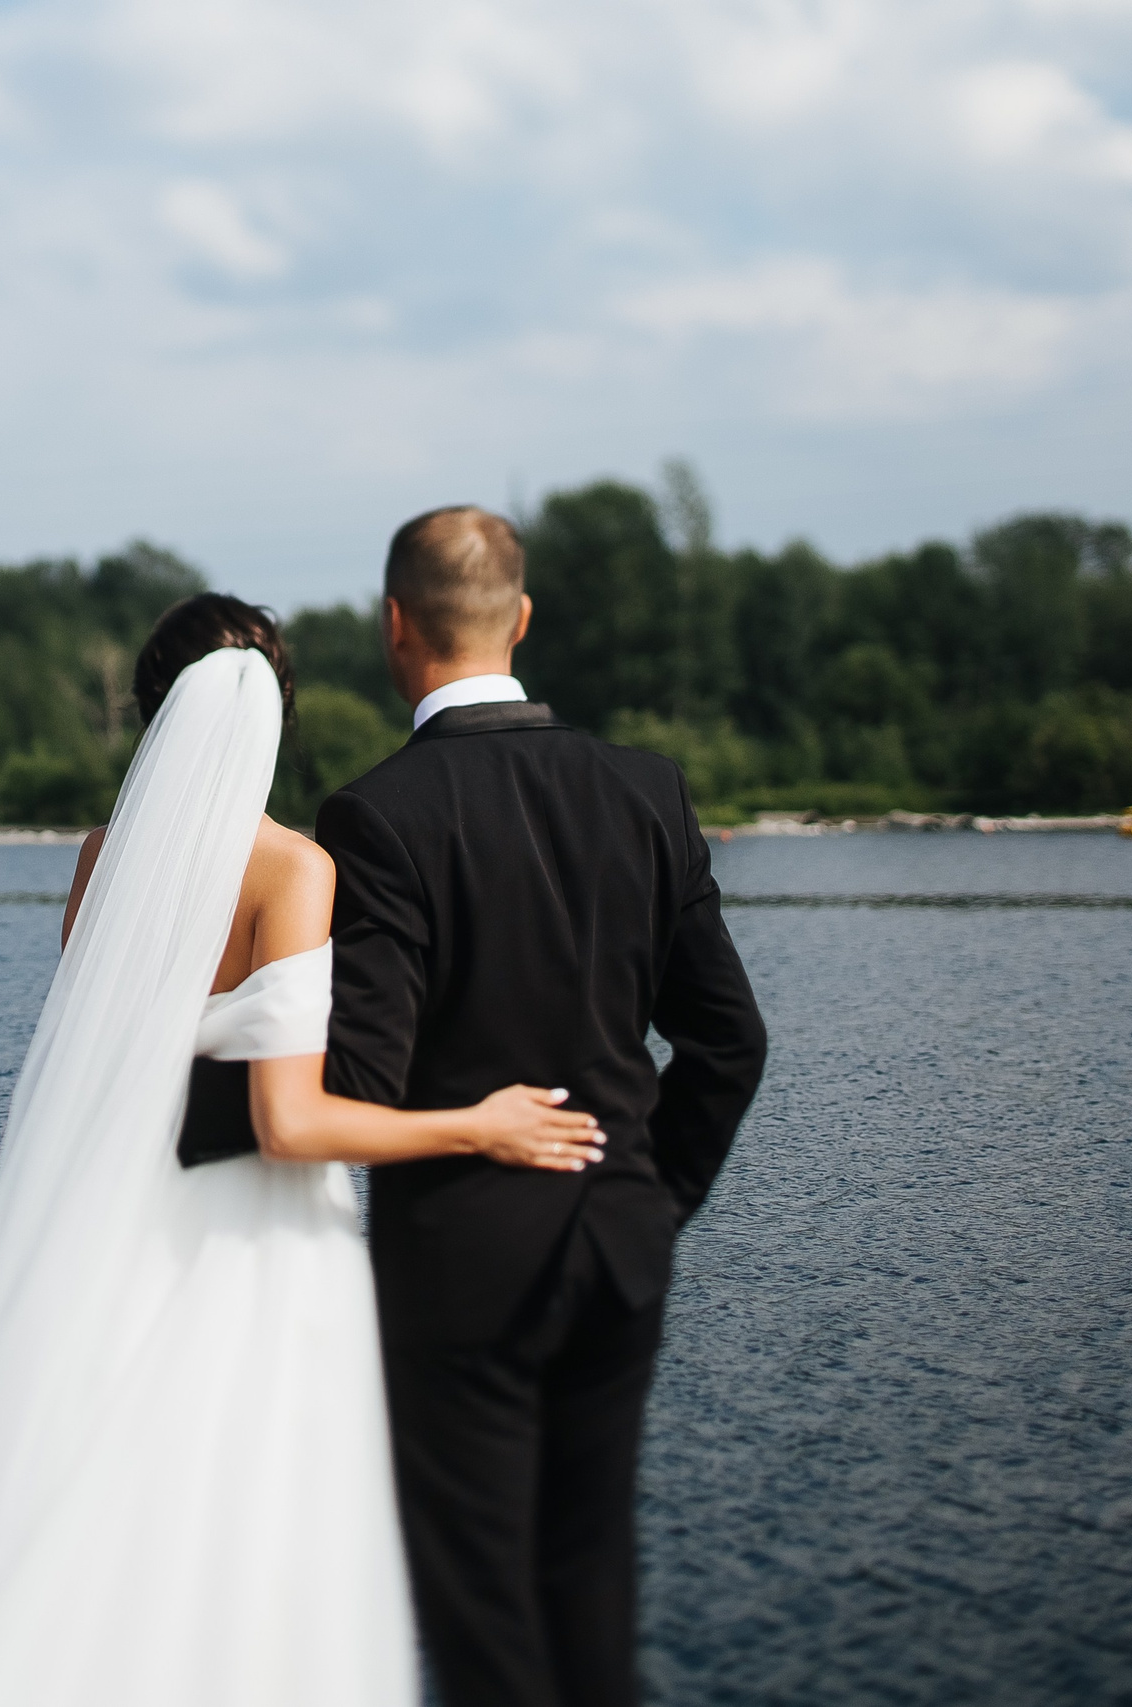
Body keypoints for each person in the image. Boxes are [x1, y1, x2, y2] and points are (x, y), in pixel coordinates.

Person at [0, 594, 603, 1707]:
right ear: (275, 719)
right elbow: (290, 1124)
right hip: (248, 1259)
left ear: (151, 716)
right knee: (241, 1560)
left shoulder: (98, 861)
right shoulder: (294, 872)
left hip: (105, 1240)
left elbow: (108, 1068)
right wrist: (479, 1123)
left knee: (91, 1542)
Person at [318, 507, 769, 1706]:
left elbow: (358, 1083)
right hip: (617, 1242)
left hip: (460, 1263)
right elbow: (728, 1042)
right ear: (521, 619)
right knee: (589, 1576)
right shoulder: (646, 791)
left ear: (393, 626)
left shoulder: (376, 818)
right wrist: (648, 1197)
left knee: (480, 1611)